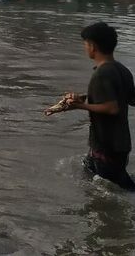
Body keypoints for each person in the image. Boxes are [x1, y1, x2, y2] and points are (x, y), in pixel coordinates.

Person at [57, 22, 135, 190]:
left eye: (85, 44)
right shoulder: (122, 70)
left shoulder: (101, 73)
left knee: (116, 190)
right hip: (118, 143)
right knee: (91, 176)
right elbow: (128, 99)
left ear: (92, 46)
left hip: (107, 145)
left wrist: (80, 106)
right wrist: (86, 97)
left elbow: (112, 108)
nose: (85, 48)